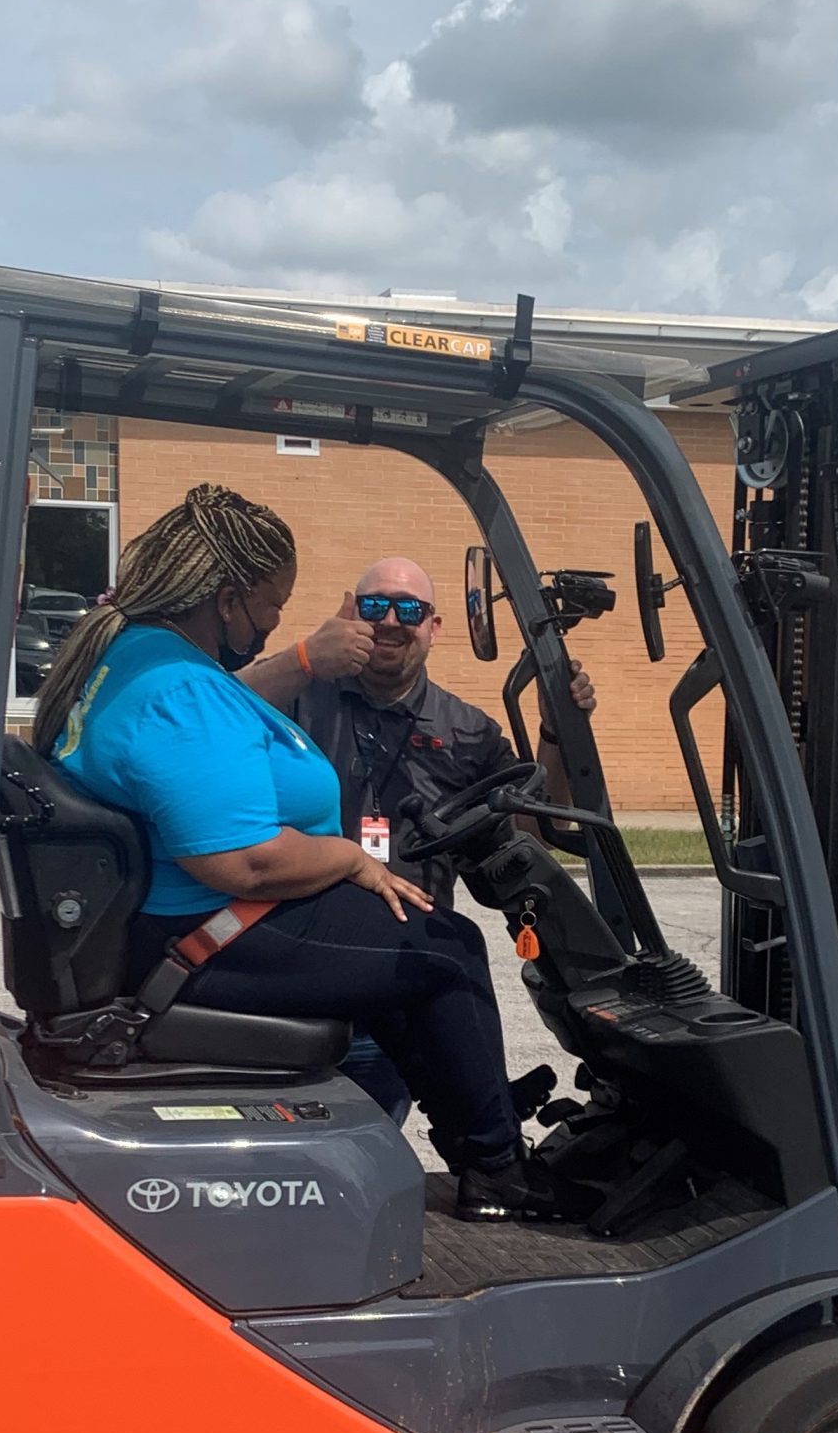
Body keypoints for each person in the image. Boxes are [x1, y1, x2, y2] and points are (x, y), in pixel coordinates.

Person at [32, 485, 566, 1223]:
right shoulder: (176, 688)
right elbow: (241, 864)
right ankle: (500, 1170)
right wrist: (349, 859)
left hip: (188, 923)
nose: (280, 620)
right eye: (274, 603)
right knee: (449, 948)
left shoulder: (139, 661)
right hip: (200, 936)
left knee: (410, 949)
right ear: (227, 600)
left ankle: (482, 1152)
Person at [245, 554, 596, 1120]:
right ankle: (493, 1143)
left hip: (402, 976)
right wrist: (307, 657)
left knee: (373, 1138)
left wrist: (556, 731)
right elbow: (206, 710)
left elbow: (535, 829)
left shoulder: (467, 732)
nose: (390, 620)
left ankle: (489, 1135)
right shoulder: (297, 697)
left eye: (409, 608)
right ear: (349, 613)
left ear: (434, 627)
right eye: (374, 605)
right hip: (301, 969)